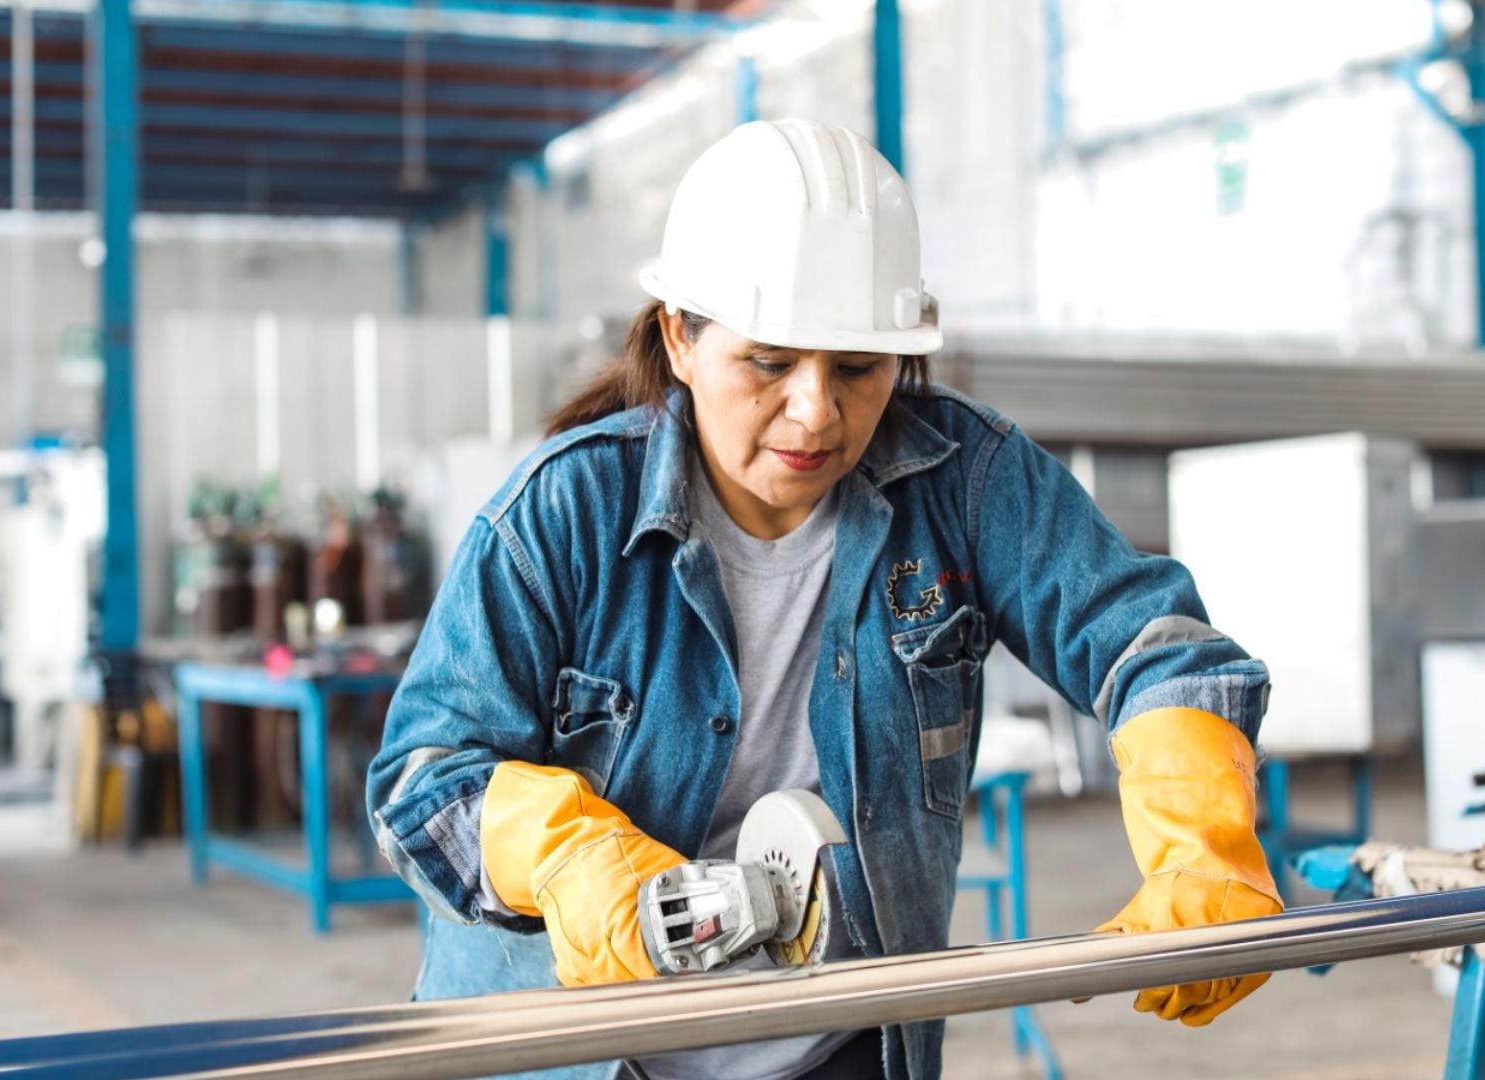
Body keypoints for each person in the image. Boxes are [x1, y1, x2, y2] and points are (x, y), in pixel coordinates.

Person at [367, 118, 1281, 1080]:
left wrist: (1202, 843)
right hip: (574, 1052)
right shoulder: (561, 512)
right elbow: (420, 781)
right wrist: (563, 858)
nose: (816, 412)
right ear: (680, 335)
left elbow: (1155, 645)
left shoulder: (967, 484)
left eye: (856, 367)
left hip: (839, 1042)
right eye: (769, 362)